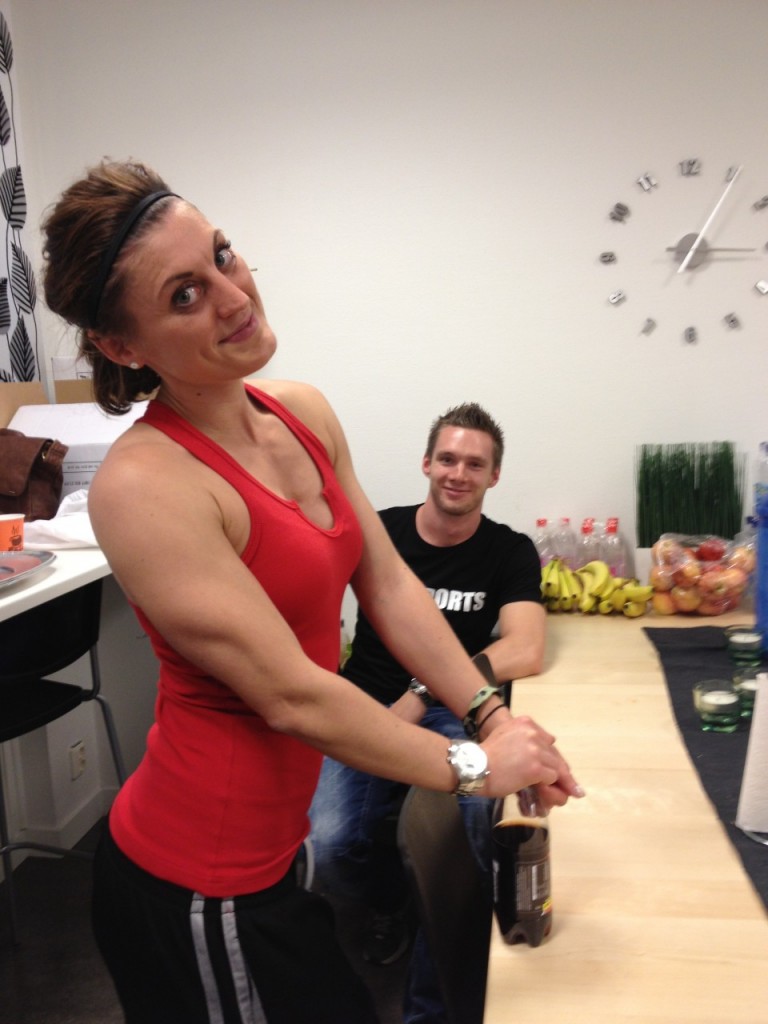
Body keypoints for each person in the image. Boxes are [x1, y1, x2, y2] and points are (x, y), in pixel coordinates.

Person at [40, 160, 582, 1024]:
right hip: (200, 881)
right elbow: (291, 695)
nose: (234, 296)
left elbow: (389, 581)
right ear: (122, 347)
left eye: (222, 255)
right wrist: (475, 768)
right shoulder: (145, 485)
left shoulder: (300, 410)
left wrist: (490, 716)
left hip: (275, 850)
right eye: (185, 294)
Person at [309, 402, 545, 1021]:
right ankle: (395, 904)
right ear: (426, 463)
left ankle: (445, 953)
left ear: (494, 475)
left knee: (468, 832)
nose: (458, 473)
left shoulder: (509, 551)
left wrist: (424, 692)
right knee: (332, 845)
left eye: (475, 464)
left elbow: (525, 648)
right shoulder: (379, 532)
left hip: (456, 712)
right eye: (447, 458)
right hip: (365, 704)